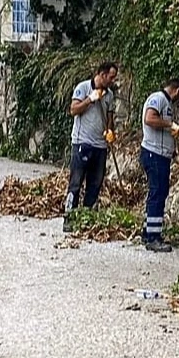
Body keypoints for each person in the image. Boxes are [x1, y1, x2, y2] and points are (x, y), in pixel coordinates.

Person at [64, 62, 119, 231]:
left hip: (100, 145)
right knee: (76, 181)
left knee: (95, 183)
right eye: (110, 77)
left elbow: (109, 116)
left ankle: (86, 216)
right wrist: (90, 99)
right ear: (101, 74)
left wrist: (110, 131)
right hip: (82, 142)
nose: (112, 81)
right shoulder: (83, 87)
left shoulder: (109, 95)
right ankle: (69, 218)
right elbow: (73, 110)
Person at [141, 79, 179, 252]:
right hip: (154, 154)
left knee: (158, 192)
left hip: (161, 154)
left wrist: (172, 152)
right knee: (158, 193)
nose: (178, 100)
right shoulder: (158, 98)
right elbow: (149, 118)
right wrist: (169, 124)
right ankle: (153, 237)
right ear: (177, 90)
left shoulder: (165, 102)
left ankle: (148, 231)